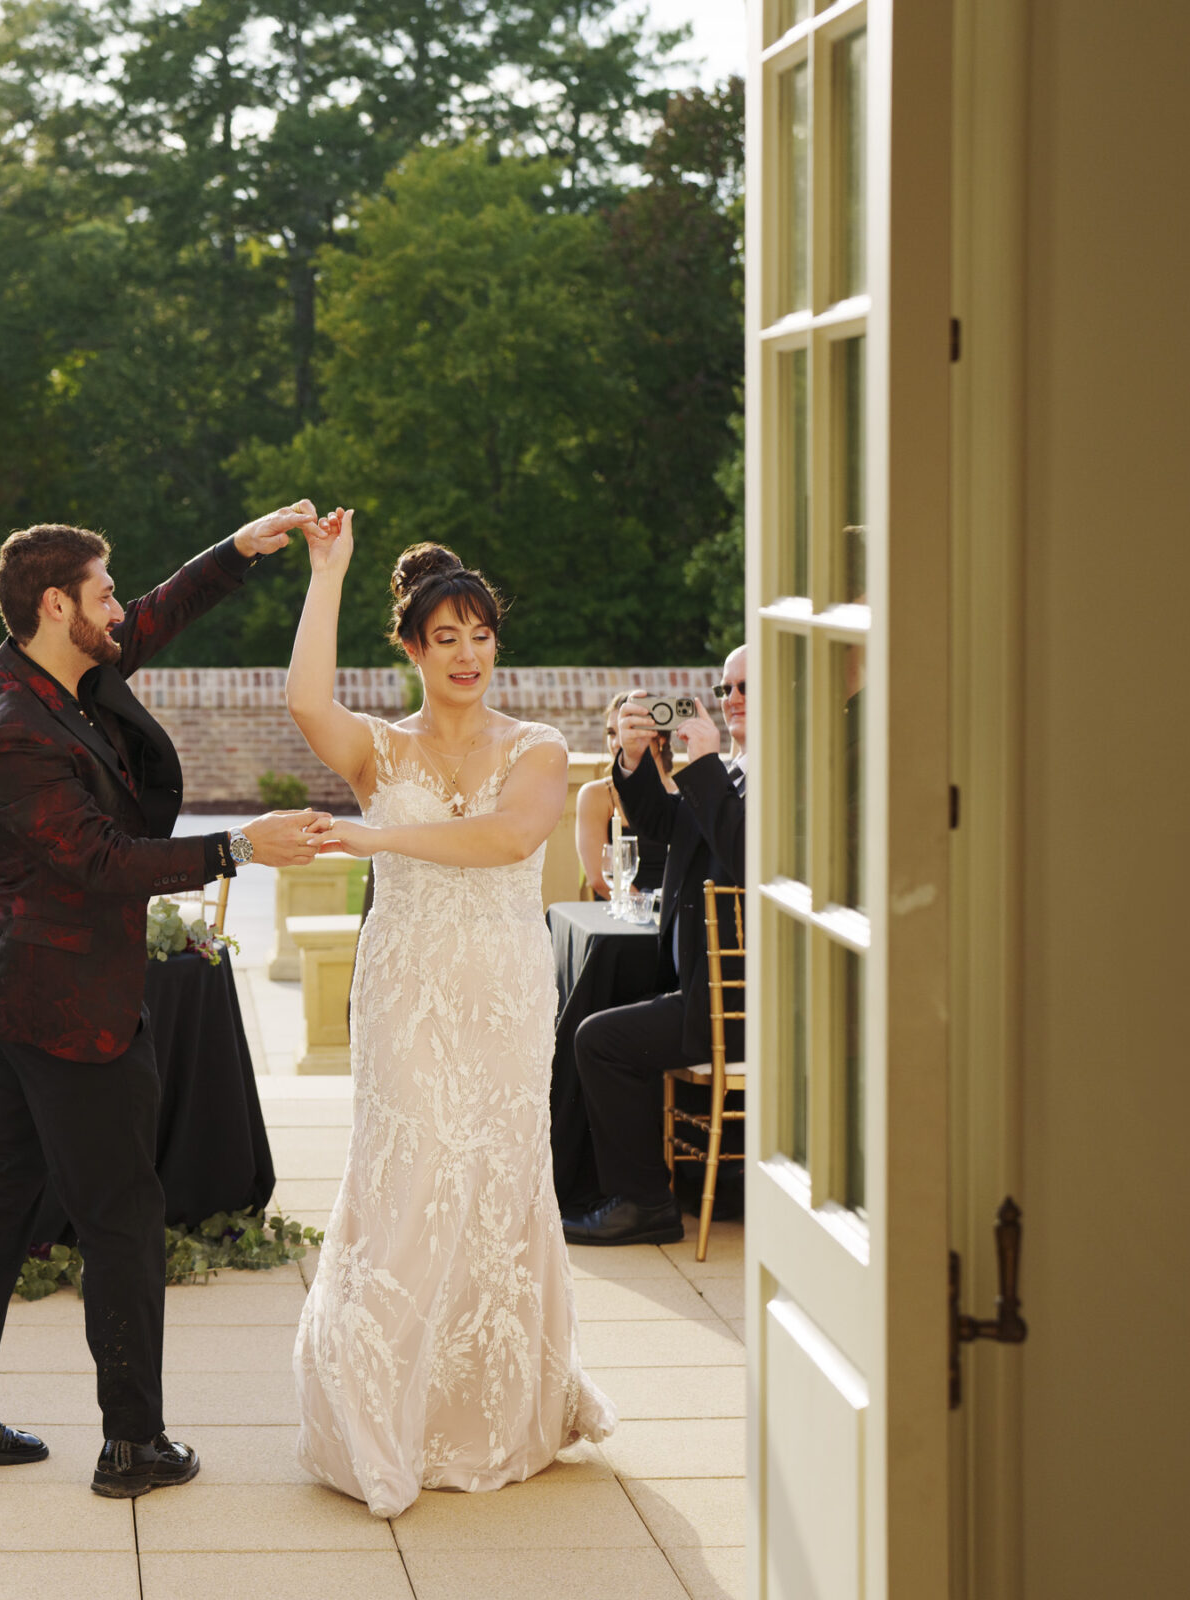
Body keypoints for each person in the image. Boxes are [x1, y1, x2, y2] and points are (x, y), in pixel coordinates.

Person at [0, 510, 335, 1499]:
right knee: (122, 1214)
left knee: (2, 1184)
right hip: (59, 1014)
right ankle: (133, 1442)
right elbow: (98, 861)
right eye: (102, 591)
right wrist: (240, 848)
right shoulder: (10, 731)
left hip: (7, 994)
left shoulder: (40, 665)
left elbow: (156, 616)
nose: (120, 607)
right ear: (57, 606)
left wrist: (242, 548)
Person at [283, 511, 614, 1519]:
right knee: (412, 1178)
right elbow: (304, 698)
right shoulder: (378, 750)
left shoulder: (541, 747)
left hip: (504, 992)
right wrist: (328, 571)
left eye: (481, 634)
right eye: (446, 638)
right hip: (407, 990)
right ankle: (374, 1406)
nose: (468, 654)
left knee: (499, 1178)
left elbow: (512, 841)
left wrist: (372, 836)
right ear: (415, 649)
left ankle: (496, 1408)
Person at [562, 646, 748, 1246]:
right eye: (724, 690)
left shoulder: (773, 771)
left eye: (746, 687)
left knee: (600, 1040)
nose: (732, 700)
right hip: (702, 986)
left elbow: (747, 856)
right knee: (599, 1025)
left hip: (741, 1006)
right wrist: (633, 757)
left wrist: (705, 764)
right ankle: (645, 1189)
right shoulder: (740, 770)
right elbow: (663, 825)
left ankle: (644, 1202)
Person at [573, 690, 668, 901]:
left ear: (660, 736)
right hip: (622, 915)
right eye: (611, 733)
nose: (617, 742)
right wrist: (647, 913)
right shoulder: (596, 795)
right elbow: (599, 879)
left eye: (630, 730)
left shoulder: (685, 793)